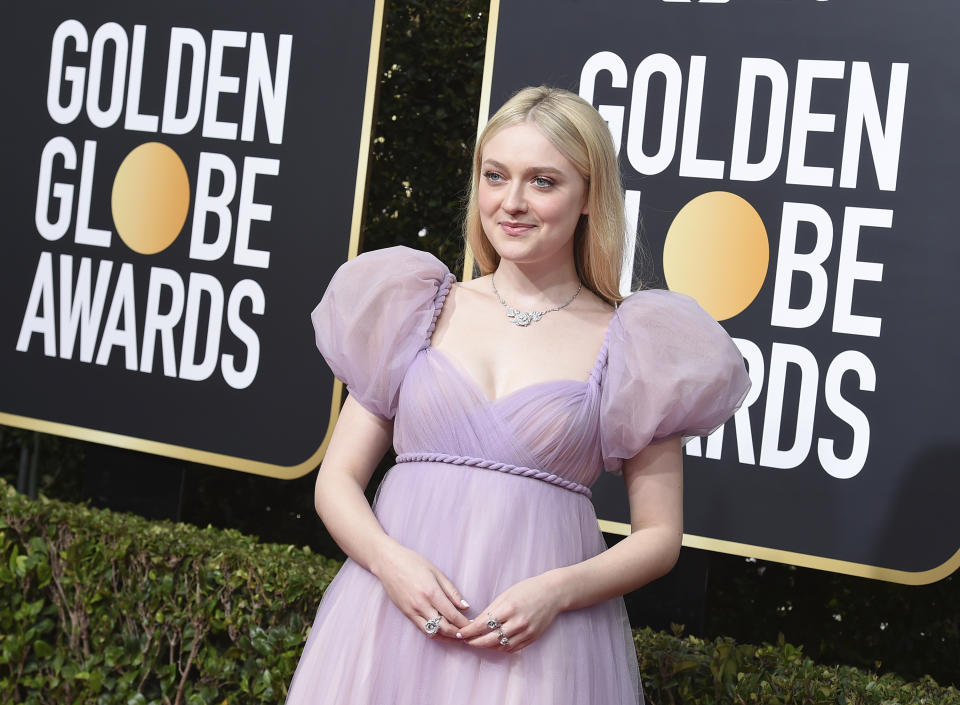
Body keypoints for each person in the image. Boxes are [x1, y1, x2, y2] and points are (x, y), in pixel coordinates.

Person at [285, 86, 750, 705]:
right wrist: (392, 566)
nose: (511, 203)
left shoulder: (634, 342)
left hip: (537, 653)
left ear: (590, 198)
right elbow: (336, 481)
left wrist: (555, 592)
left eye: (543, 182)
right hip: (387, 620)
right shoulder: (417, 306)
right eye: (495, 176)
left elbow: (659, 537)